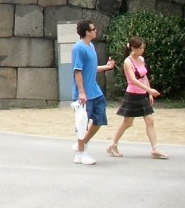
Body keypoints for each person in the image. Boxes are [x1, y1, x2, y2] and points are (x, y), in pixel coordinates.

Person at [106, 37, 168, 159]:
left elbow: (144, 77)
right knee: (127, 123)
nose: (142, 50)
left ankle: (155, 149)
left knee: (150, 120)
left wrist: (149, 93)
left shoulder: (141, 59)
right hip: (132, 95)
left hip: (142, 94)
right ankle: (112, 145)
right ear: (133, 48)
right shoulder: (128, 61)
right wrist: (149, 90)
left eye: (143, 48)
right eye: (140, 48)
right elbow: (133, 80)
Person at [71, 19, 115, 165]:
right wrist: (81, 92)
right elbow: (77, 71)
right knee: (82, 122)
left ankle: (81, 145)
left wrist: (106, 67)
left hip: (95, 91)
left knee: (99, 119)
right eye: (93, 29)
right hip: (85, 93)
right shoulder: (78, 48)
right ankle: (80, 153)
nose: (96, 30)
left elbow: (91, 68)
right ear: (87, 32)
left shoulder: (91, 46)